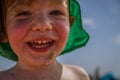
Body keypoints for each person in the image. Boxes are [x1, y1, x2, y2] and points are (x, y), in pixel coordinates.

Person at [0, 0, 90, 80]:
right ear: (3, 31)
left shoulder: (79, 76)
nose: (43, 25)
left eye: (56, 12)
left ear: (70, 25)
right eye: (24, 13)